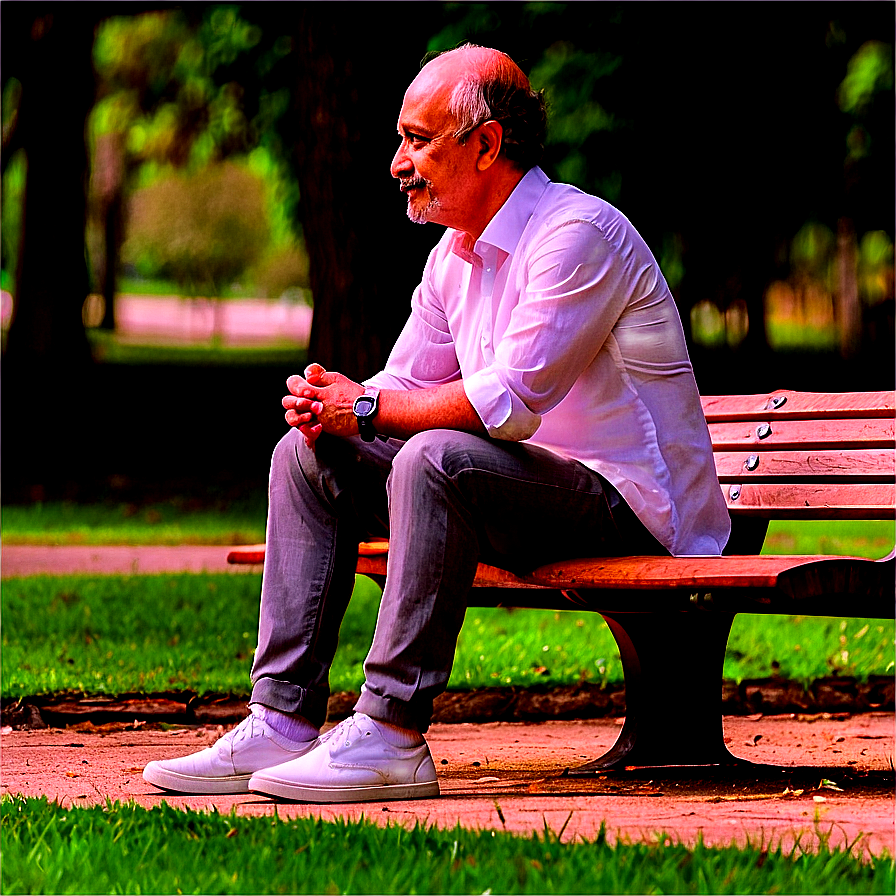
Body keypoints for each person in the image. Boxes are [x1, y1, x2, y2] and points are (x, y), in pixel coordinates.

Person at [143, 44, 730, 803]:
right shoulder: (454, 257)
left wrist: (365, 406)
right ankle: (280, 720)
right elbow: (399, 387)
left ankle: (390, 732)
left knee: (435, 458)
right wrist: (331, 408)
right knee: (307, 455)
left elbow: (508, 402)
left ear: (485, 145)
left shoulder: (579, 234)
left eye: (417, 140)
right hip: (517, 492)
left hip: (635, 511)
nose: (397, 162)